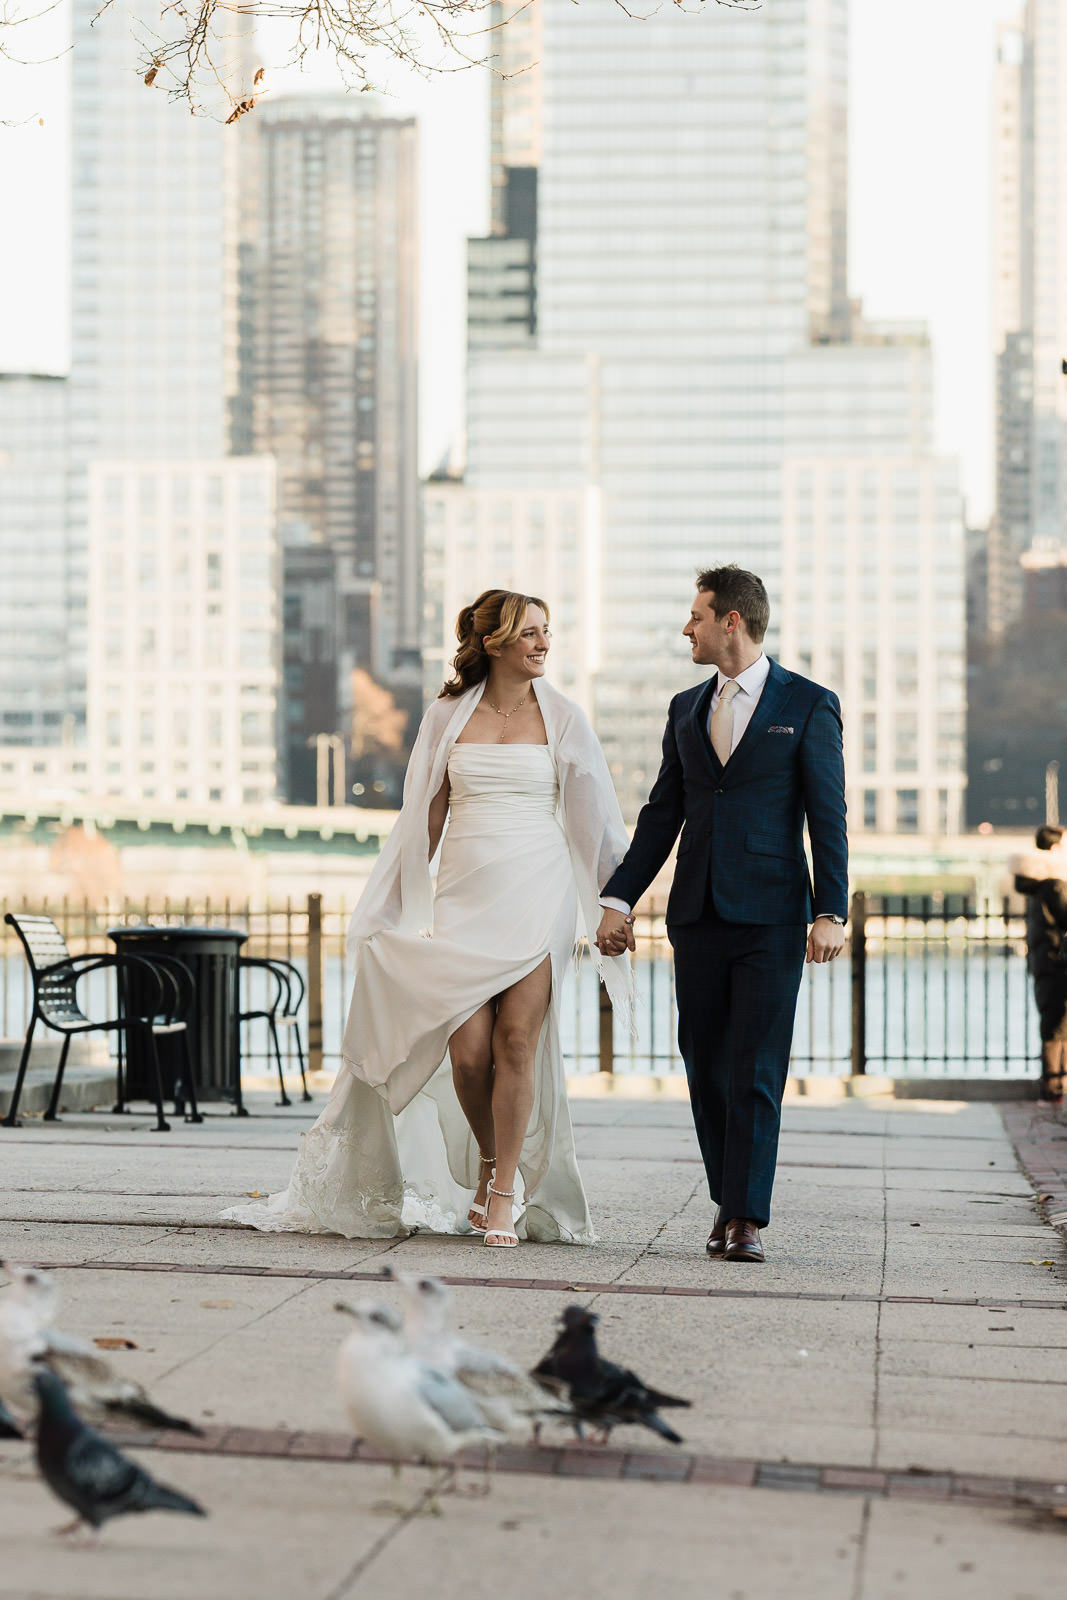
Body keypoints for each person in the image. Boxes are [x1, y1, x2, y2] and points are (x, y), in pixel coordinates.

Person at [223, 590, 632, 1247]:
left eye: (546, 632)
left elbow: (596, 823)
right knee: (467, 1054)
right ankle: (492, 1159)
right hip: (465, 895)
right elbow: (424, 821)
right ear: (493, 643)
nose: (543, 644)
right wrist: (386, 911)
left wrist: (614, 903)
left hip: (539, 892)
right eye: (529, 633)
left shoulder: (564, 718)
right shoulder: (446, 716)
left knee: (516, 1042)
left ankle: (503, 1192)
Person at [595, 566, 848, 1264]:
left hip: (772, 916)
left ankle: (744, 1218)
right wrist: (617, 898)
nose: (687, 628)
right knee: (704, 1066)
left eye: (696, 616)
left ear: (731, 620)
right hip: (697, 914)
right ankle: (727, 1196)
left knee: (757, 1068)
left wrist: (830, 909)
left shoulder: (809, 704)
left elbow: (827, 815)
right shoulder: (685, 708)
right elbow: (661, 815)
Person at [1012, 825, 1067, 1105]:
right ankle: (1054, 1089)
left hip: (1044, 962)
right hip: (1057, 961)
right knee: (1057, 1025)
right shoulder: (1055, 884)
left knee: (1054, 1023)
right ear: (1055, 848)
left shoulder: (1036, 884)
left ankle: (1054, 1087)